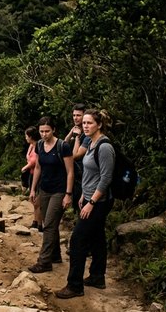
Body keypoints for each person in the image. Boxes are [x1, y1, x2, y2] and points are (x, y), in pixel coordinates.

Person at [56, 109, 115, 299]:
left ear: (99, 124)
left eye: (89, 123)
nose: (86, 126)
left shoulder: (105, 147)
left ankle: (74, 285)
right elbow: (88, 171)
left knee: (78, 240)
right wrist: (83, 196)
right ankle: (98, 277)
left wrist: (91, 201)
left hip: (99, 201)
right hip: (89, 197)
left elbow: (106, 179)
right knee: (97, 237)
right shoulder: (91, 142)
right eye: (84, 123)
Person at [28, 116, 75, 273]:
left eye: (47, 131)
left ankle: (44, 261)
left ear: (53, 130)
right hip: (45, 189)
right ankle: (55, 255)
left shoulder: (63, 146)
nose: (44, 134)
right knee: (50, 223)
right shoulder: (40, 145)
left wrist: (68, 194)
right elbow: (39, 168)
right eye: (41, 131)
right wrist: (33, 189)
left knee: (48, 224)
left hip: (59, 190)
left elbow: (70, 172)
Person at [64, 103, 87, 215]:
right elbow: (64, 144)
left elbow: (75, 155)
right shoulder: (76, 130)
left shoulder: (87, 135)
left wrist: (77, 137)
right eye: (74, 115)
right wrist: (71, 133)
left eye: (78, 115)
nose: (75, 118)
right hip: (75, 174)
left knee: (80, 204)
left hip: (83, 175)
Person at [20, 126, 43, 231]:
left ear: (30, 136)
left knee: (37, 200)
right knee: (33, 199)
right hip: (31, 173)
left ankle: (39, 223)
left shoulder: (38, 146)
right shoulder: (31, 146)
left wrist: (26, 167)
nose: (25, 138)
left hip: (38, 175)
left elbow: (34, 161)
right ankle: (35, 220)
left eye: (26, 135)